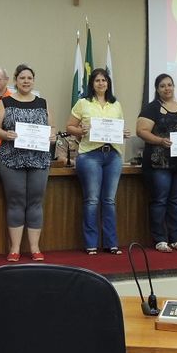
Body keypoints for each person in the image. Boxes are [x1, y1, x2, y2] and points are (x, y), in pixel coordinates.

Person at [0, 64, 55, 262]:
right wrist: (5, 134)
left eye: (29, 78)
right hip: (12, 158)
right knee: (16, 201)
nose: (26, 81)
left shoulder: (42, 103)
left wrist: (52, 136)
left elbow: (51, 127)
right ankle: (15, 249)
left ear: (33, 81)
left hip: (39, 159)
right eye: (22, 78)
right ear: (16, 81)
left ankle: (35, 248)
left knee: (35, 202)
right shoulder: (5, 102)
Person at [66, 68, 129, 255]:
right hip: (90, 155)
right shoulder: (83, 103)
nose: (101, 83)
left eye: (104, 80)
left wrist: (123, 133)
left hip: (113, 156)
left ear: (108, 83)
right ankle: (91, 243)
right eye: (97, 81)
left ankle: (111, 243)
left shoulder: (116, 104)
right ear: (91, 84)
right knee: (92, 200)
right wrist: (80, 131)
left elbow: (118, 128)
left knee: (109, 200)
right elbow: (69, 127)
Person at [136, 74, 177, 253]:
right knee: (160, 200)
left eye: (169, 85)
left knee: (176, 201)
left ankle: (175, 238)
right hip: (158, 162)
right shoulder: (151, 108)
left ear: (174, 86)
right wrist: (160, 141)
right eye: (162, 86)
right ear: (157, 89)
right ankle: (160, 239)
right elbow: (141, 131)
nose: (167, 88)